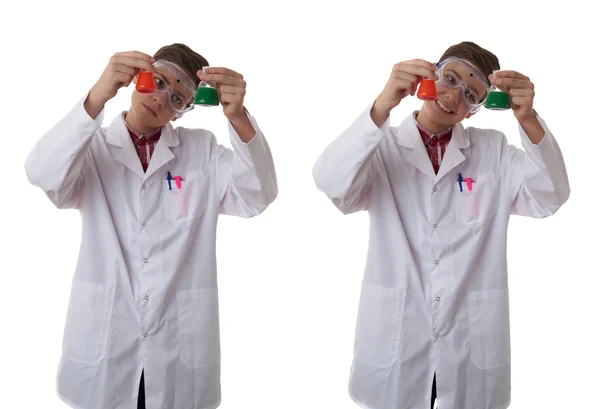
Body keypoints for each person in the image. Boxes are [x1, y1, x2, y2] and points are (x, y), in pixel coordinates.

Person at [312, 41, 570, 409]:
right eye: (449, 79)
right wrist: (382, 104)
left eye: (471, 95)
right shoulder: (381, 147)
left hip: (469, 342)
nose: (454, 97)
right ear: (429, 78)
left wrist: (528, 119)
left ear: (475, 112)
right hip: (397, 338)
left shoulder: (493, 152)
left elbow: (551, 196)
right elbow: (331, 181)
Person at [24, 43, 278, 409]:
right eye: (156, 81)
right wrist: (98, 94)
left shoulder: (202, 151)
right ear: (135, 79)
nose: (160, 99)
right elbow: (41, 172)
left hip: (178, 346)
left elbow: (258, 195)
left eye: (177, 98)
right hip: (106, 339)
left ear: (183, 112)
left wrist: (238, 117)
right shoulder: (91, 148)